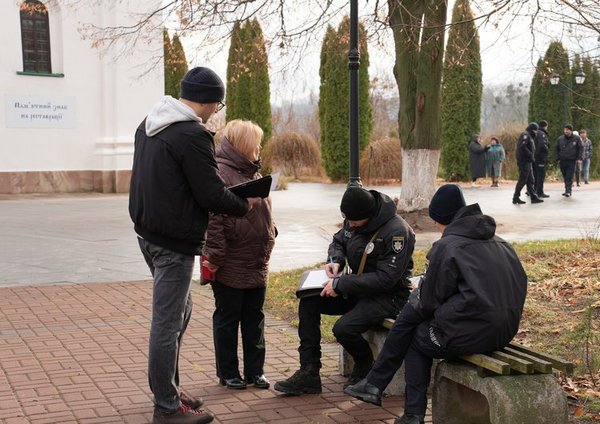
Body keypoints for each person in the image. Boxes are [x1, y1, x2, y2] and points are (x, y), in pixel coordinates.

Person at [129, 67, 260, 424]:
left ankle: (169, 389)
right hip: (174, 241)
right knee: (167, 323)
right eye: (218, 103)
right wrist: (243, 204)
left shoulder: (150, 123)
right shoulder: (192, 135)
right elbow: (210, 192)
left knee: (181, 310)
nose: (217, 110)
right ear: (207, 101)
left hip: (148, 232)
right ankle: (167, 409)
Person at [344, 184, 528, 424]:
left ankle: (407, 410)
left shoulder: (447, 246)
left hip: (471, 333)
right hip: (504, 331)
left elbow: (427, 301)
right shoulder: (502, 243)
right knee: (415, 316)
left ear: (440, 219)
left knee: (415, 334)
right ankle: (375, 385)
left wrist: (420, 294)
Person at [273, 187, 416, 395]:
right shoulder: (354, 220)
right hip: (358, 288)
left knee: (343, 329)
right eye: (346, 219)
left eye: (353, 221)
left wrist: (341, 285)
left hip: (388, 296)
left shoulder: (397, 232)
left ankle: (365, 364)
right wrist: (335, 260)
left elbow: (386, 279)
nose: (349, 224)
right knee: (309, 302)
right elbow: (339, 240)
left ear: (367, 216)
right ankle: (309, 371)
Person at [202, 119, 276, 391]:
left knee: (254, 318)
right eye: (256, 143)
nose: (259, 148)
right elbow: (214, 219)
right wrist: (216, 257)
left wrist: (272, 232)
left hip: (257, 260)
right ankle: (228, 372)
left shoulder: (253, 174)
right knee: (228, 318)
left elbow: (263, 210)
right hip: (230, 261)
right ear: (244, 145)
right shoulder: (220, 173)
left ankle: (255, 371)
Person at [513, 122, 543, 204]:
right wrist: (530, 155)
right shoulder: (525, 135)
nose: (536, 132)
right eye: (535, 130)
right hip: (524, 161)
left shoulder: (529, 136)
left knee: (530, 180)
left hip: (528, 161)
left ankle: (533, 197)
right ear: (532, 129)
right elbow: (523, 147)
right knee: (522, 180)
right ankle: (515, 197)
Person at [556, 124, 583, 197]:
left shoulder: (576, 138)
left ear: (571, 130)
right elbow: (557, 149)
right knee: (565, 176)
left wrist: (579, 158)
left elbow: (580, 148)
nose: (566, 131)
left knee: (569, 176)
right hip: (562, 160)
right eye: (565, 130)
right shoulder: (560, 139)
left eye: (567, 130)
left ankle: (568, 191)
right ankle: (566, 189)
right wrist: (558, 158)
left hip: (571, 160)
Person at [534, 120, 550, 198]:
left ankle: (534, 191)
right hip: (540, 157)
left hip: (533, 157)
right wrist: (547, 150)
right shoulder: (541, 134)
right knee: (541, 175)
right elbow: (542, 145)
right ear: (545, 126)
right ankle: (539, 192)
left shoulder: (535, 133)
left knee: (535, 175)